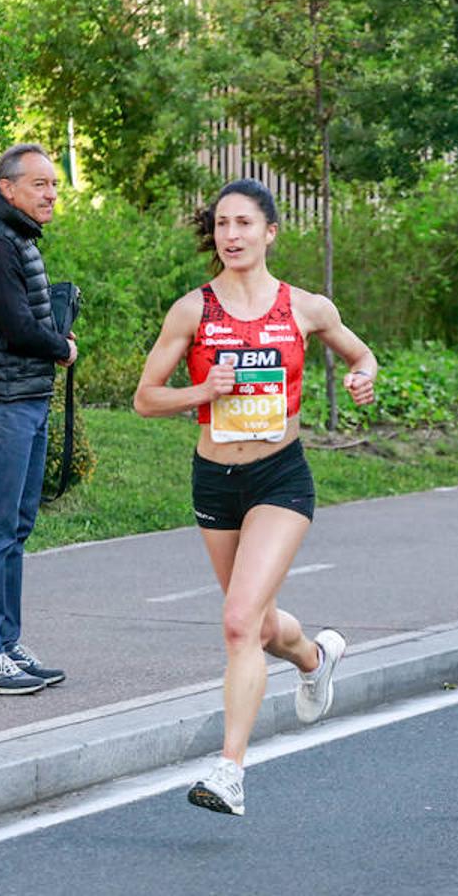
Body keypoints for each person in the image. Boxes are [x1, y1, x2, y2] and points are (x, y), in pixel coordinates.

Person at [133, 178, 377, 816]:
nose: (231, 235)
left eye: (244, 223)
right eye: (221, 225)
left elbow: (362, 354)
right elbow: (145, 398)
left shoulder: (305, 307)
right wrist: (202, 393)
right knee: (262, 626)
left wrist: (361, 378)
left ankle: (229, 770)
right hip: (215, 480)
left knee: (238, 621)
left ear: (270, 231)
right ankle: (314, 656)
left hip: (279, 479)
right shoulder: (193, 310)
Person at [0, 143, 77, 695]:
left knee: (15, 528)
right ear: (7, 188)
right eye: (39, 184)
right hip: (0, 402)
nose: (50, 193)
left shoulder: (12, 235)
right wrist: (63, 347)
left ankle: (5, 645)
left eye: (53, 184)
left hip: (20, 397)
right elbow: (17, 327)